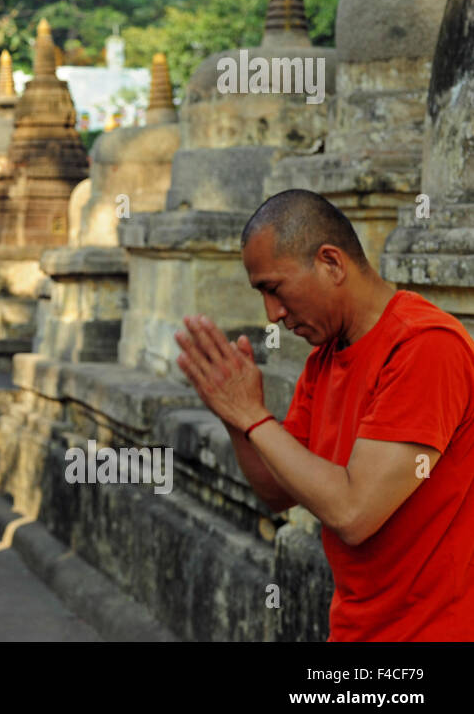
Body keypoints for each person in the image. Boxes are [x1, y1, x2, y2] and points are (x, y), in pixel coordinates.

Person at [174, 189, 474, 641]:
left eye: (274, 289)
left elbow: (353, 513)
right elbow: (278, 490)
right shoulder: (325, 359)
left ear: (331, 263)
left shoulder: (425, 347)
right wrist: (233, 415)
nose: (272, 315)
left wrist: (253, 416)